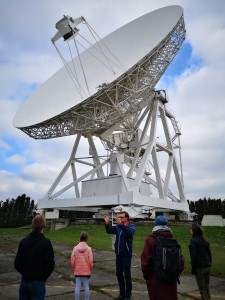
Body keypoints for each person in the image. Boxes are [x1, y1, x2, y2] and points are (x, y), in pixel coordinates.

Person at [140, 215, 184, 300]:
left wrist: (147, 277)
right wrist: (174, 273)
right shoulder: (173, 240)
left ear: (155, 225)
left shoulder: (150, 240)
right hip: (171, 279)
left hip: (156, 279)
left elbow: (146, 262)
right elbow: (181, 262)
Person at [14, 215, 55, 300]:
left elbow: (17, 263)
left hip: (24, 281)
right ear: (44, 226)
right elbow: (50, 264)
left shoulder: (23, 242)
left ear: (32, 225)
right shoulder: (46, 243)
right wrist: (42, 276)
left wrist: (25, 273)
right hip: (38, 282)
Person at [103, 211, 135, 300]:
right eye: (119, 217)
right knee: (119, 273)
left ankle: (128, 295)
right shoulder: (118, 226)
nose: (119, 218)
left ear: (126, 218)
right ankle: (122, 293)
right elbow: (109, 231)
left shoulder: (131, 225)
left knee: (127, 274)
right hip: (119, 254)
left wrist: (121, 225)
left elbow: (130, 233)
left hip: (126, 254)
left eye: (121, 217)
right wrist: (107, 223)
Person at [189, 223, 212, 300]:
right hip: (207, 266)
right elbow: (209, 254)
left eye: (191, 229)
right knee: (206, 287)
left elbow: (193, 256)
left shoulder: (193, 241)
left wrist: (193, 269)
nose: (190, 230)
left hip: (200, 268)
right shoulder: (203, 239)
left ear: (194, 231)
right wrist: (209, 263)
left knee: (202, 289)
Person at [71, 232, 93, 300]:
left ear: (80, 238)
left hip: (77, 270)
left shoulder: (75, 248)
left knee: (77, 286)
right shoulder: (89, 249)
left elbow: (72, 260)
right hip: (86, 270)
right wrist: (90, 268)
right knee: (86, 286)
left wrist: (74, 267)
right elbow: (91, 261)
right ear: (87, 239)